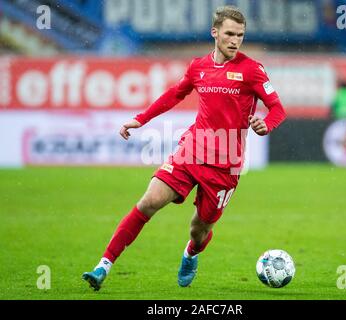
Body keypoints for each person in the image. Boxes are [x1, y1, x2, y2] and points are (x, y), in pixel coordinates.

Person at [82, 5, 286, 291]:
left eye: (240, 35)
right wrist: (140, 119)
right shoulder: (198, 67)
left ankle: (191, 252)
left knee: (199, 230)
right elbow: (173, 95)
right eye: (229, 33)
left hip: (226, 165)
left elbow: (277, 109)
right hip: (191, 151)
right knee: (149, 201)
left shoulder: (252, 70)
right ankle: (103, 265)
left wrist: (266, 123)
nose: (234, 40)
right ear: (214, 33)